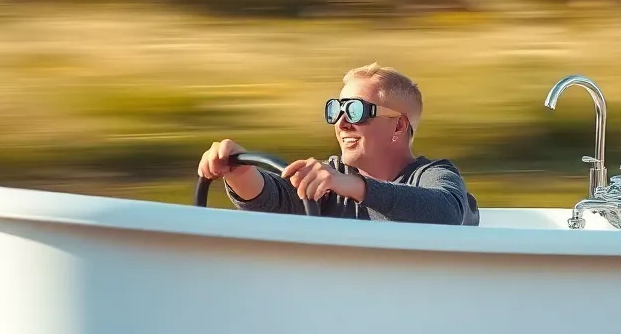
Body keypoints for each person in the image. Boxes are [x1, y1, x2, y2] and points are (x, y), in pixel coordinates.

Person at [197, 63, 480, 225]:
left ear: (398, 126)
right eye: (336, 109)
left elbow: (447, 213)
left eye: (356, 111)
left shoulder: (432, 175)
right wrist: (239, 171)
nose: (341, 122)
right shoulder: (330, 181)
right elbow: (276, 197)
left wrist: (352, 186)